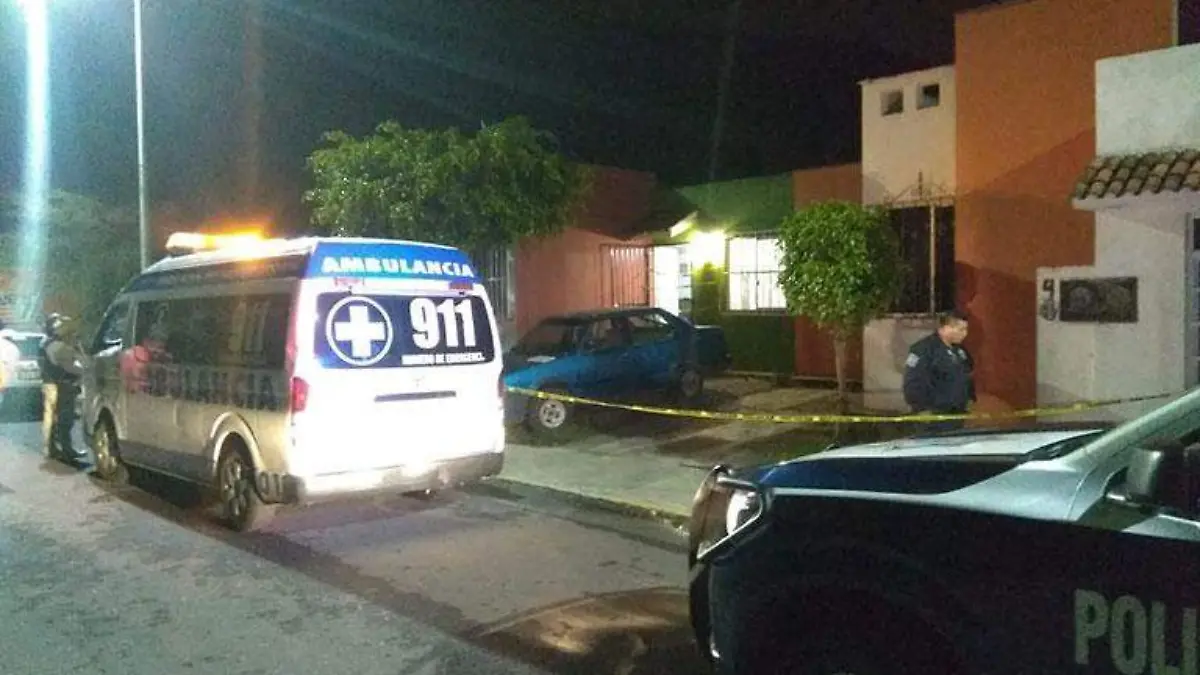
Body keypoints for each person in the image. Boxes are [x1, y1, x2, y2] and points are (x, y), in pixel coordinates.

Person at [902, 309, 976, 434]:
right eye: (961, 329)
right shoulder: (924, 350)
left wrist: (970, 398)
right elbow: (913, 381)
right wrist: (921, 408)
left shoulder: (960, 351)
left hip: (956, 414)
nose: (965, 334)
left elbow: (967, 375)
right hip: (933, 416)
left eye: (966, 329)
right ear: (945, 328)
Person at [39, 313, 87, 464]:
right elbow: (73, 367)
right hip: (61, 385)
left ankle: (53, 448)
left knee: (53, 418)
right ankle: (66, 450)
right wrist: (85, 369)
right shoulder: (59, 347)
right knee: (65, 419)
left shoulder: (46, 343)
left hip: (51, 384)